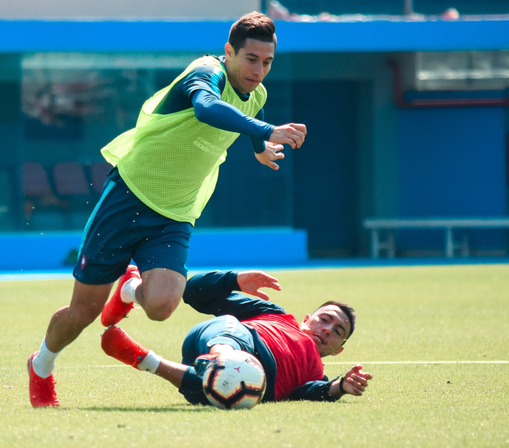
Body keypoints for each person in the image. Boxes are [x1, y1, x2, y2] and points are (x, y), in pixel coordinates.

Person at [27, 11, 308, 407]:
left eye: (267, 62)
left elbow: (250, 110)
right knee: (83, 313)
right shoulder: (204, 72)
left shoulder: (255, 92)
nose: (259, 70)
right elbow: (208, 108)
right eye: (250, 59)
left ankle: (131, 288)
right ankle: (41, 366)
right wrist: (264, 133)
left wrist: (259, 147)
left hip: (176, 212)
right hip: (129, 196)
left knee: (161, 306)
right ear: (228, 52)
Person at [101, 267, 373, 404]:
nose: (327, 329)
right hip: (224, 339)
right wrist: (232, 280)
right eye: (324, 319)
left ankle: (144, 359)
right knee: (231, 323)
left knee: (220, 391)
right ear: (306, 320)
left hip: (248, 388)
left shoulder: (315, 373)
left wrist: (339, 387)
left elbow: (313, 392)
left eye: (338, 332)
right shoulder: (277, 316)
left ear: (338, 350)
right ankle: (221, 358)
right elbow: (193, 293)